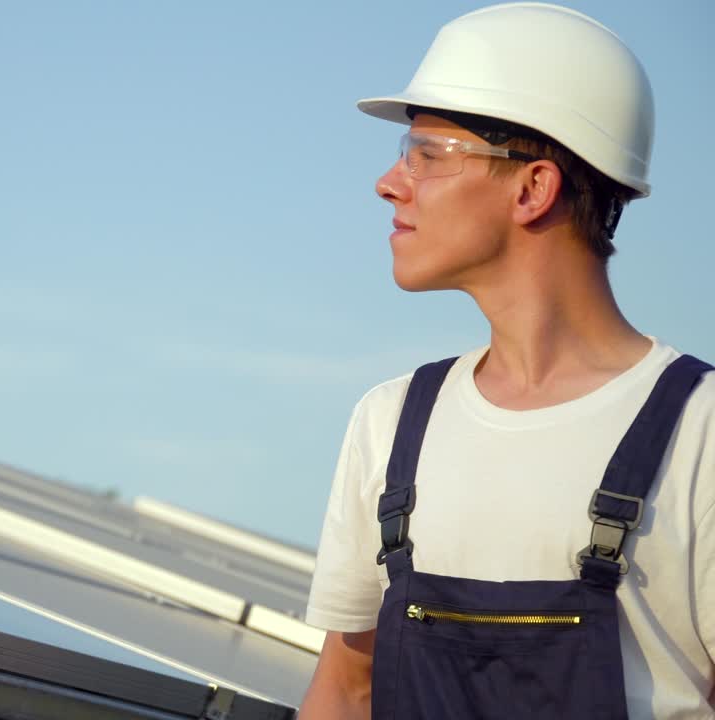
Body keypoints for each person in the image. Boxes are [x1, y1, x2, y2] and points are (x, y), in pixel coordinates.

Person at [298, 4, 714, 718]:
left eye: (426, 152)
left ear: (533, 188)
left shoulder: (701, 434)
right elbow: (345, 691)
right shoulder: (392, 423)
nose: (389, 183)